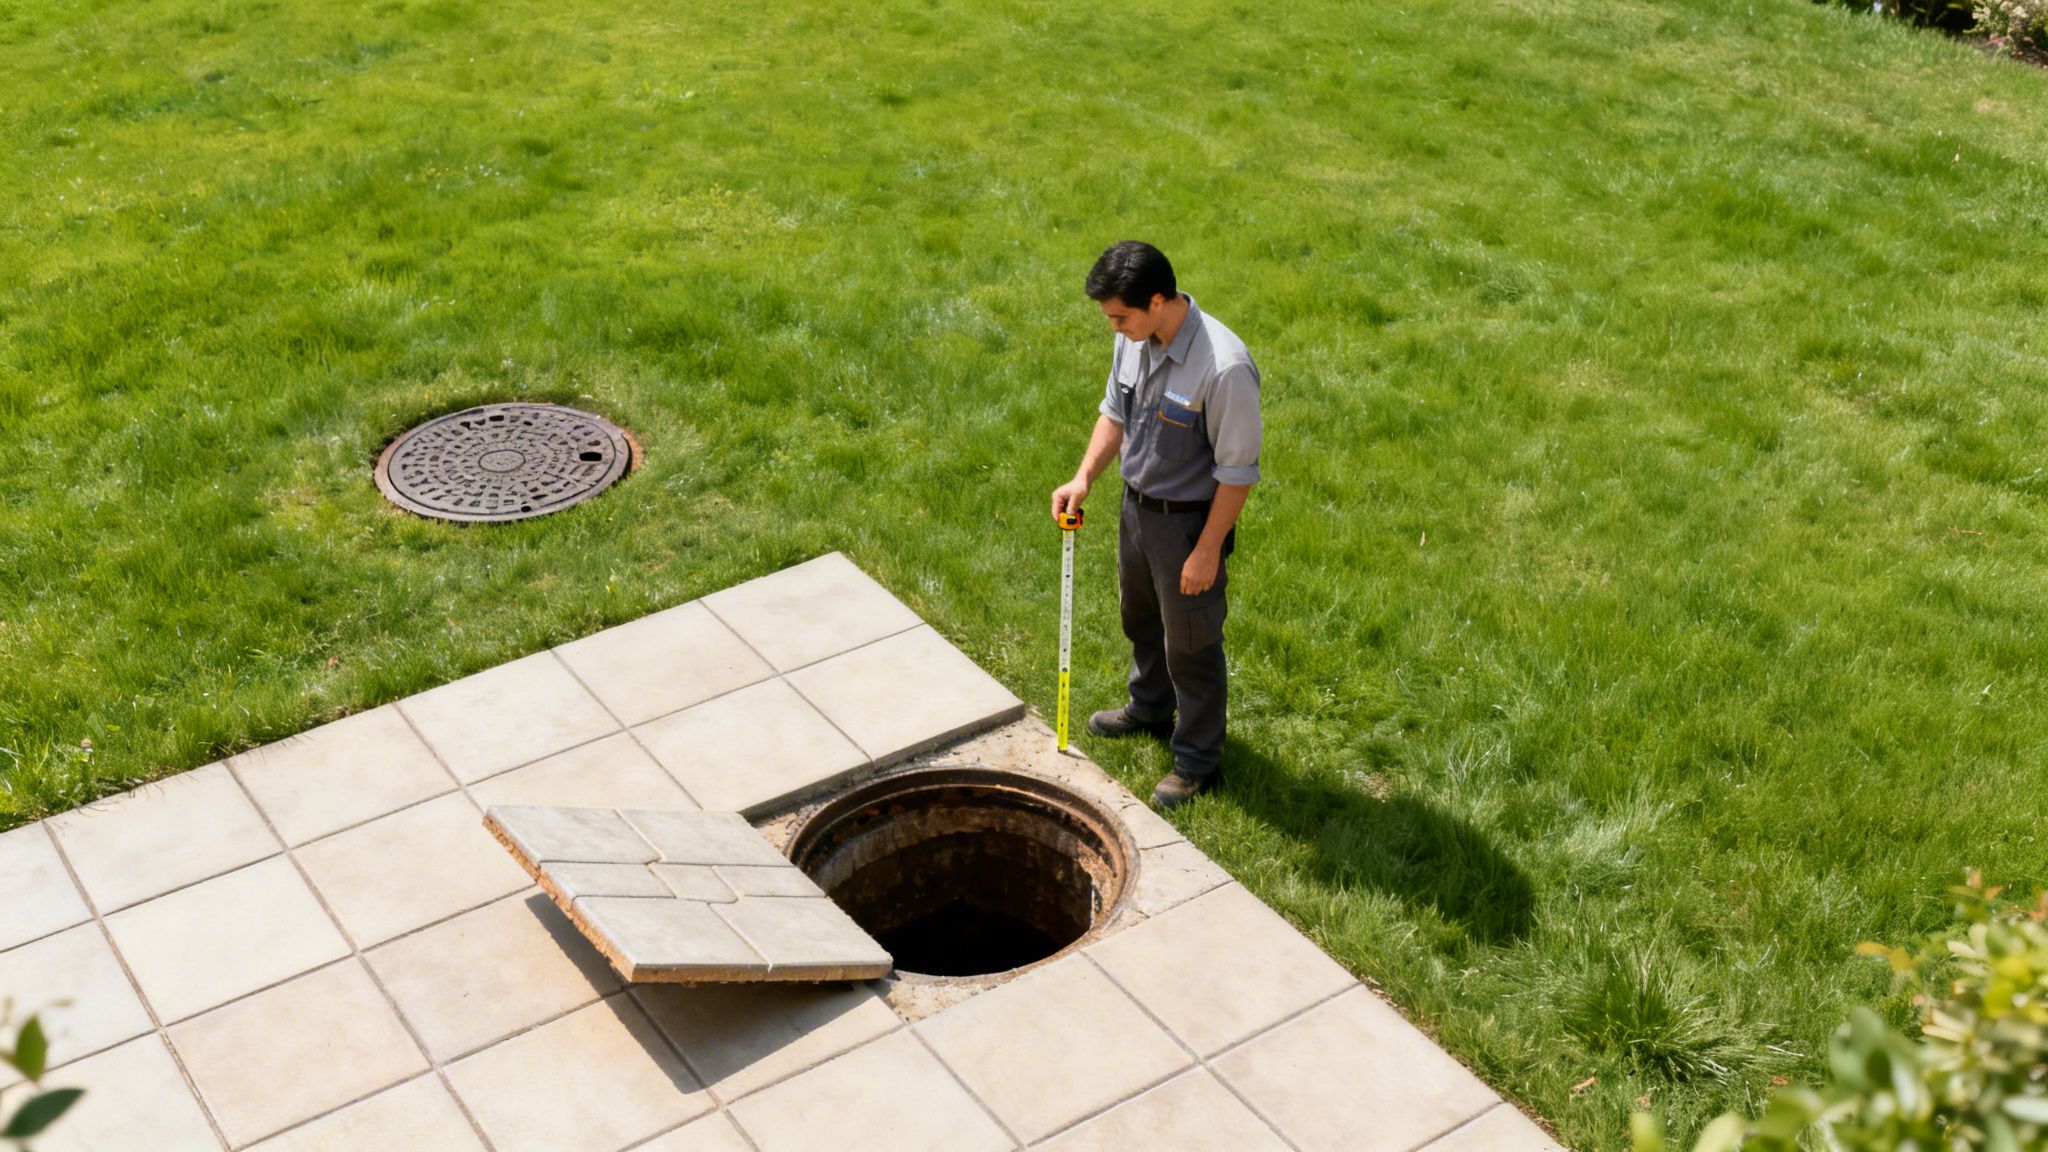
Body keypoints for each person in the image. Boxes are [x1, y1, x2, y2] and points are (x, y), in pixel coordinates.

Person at [1049, 241, 1262, 809]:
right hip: (1135, 509)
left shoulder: (1223, 367)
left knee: (1191, 643)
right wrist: (1083, 478)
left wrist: (1207, 550)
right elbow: (1114, 413)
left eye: (1121, 316)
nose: (1114, 328)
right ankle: (1148, 707)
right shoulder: (1132, 339)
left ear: (1159, 299)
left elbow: (1237, 473)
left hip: (1188, 526)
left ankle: (1196, 759)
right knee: (1140, 617)